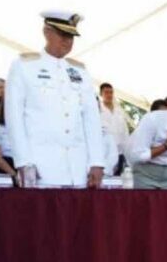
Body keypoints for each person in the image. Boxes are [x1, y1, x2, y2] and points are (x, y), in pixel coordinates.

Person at [6, 10, 105, 188]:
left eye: (72, 36)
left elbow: (92, 119)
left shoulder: (80, 71)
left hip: (78, 168)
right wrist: (23, 161)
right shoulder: (24, 66)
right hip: (41, 167)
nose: (68, 41)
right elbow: (14, 118)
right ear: (47, 32)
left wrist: (97, 161)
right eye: (63, 34)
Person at [99, 82, 131, 176]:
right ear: (101, 94)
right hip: (105, 151)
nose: (109, 95)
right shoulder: (98, 109)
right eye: (106, 92)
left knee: (118, 179)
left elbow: (125, 131)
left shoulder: (119, 110)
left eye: (111, 92)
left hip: (120, 151)